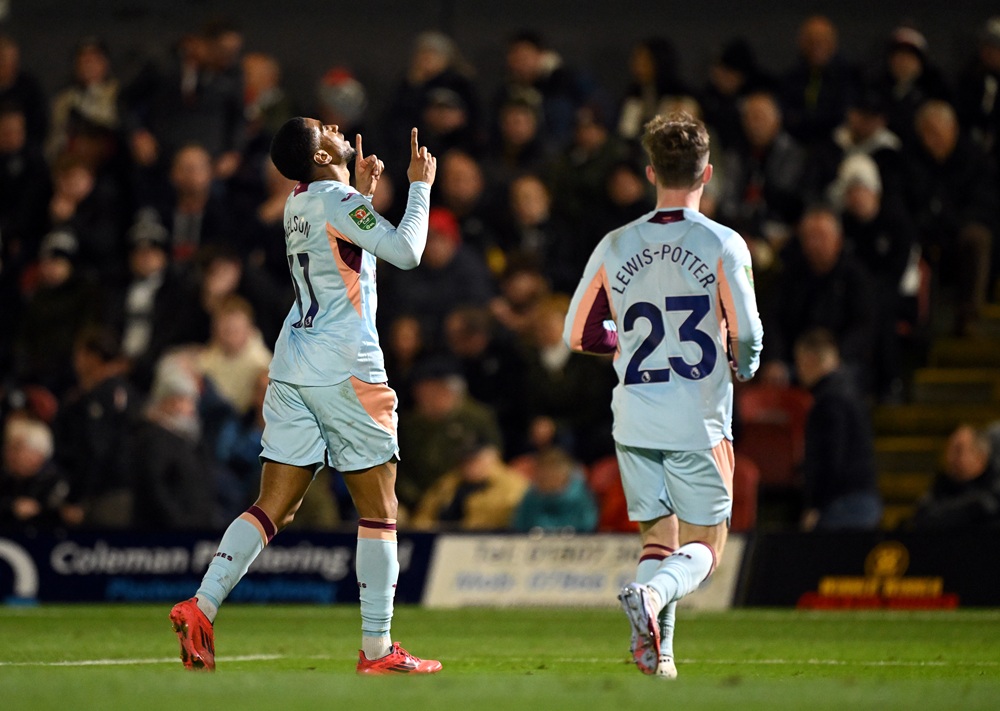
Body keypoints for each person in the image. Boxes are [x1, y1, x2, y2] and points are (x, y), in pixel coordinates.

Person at [168, 118, 441, 675]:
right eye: (324, 129)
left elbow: (337, 247)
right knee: (380, 509)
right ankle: (378, 649)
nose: (337, 127)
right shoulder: (335, 199)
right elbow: (408, 251)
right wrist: (420, 186)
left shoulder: (298, 202)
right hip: (344, 368)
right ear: (320, 156)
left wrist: (360, 193)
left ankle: (201, 604)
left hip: (293, 365)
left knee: (276, 505)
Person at [563, 112, 762, 679]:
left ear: (651, 171)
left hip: (634, 416)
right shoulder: (722, 243)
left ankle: (660, 656)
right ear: (708, 174)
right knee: (705, 547)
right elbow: (745, 332)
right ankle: (650, 602)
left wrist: (621, 340)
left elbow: (577, 333)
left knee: (659, 540)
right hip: (697, 418)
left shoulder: (616, 244)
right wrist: (742, 364)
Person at [794, 328, 882, 531]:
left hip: (844, 504)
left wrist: (814, 505)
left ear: (810, 359)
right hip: (860, 498)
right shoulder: (849, 389)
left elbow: (831, 457)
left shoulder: (830, 400)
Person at [911, 423, 1000, 529]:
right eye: (948, 449)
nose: (950, 457)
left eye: (958, 450)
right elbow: (923, 516)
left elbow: (986, 507)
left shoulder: (993, 488)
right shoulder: (943, 483)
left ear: (980, 456)